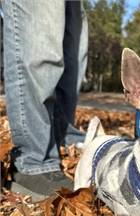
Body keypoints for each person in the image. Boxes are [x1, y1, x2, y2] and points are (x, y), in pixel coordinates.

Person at [2, 0, 88, 199]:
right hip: (32, 162)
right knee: (41, 29)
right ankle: (32, 160)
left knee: (73, 42)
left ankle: (63, 138)